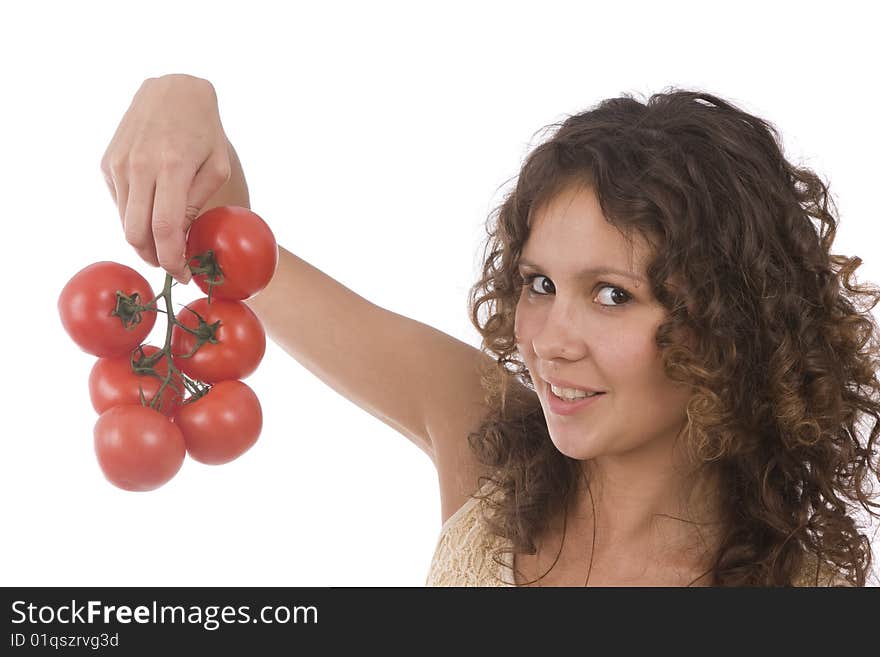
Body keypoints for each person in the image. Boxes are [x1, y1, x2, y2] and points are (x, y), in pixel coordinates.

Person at [101, 74, 879, 586]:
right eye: (540, 283)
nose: (550, 339)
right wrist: (181, 93)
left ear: (726, 325)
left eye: (611, 294)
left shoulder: (801, 589)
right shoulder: (493, 440)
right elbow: (241, 257)